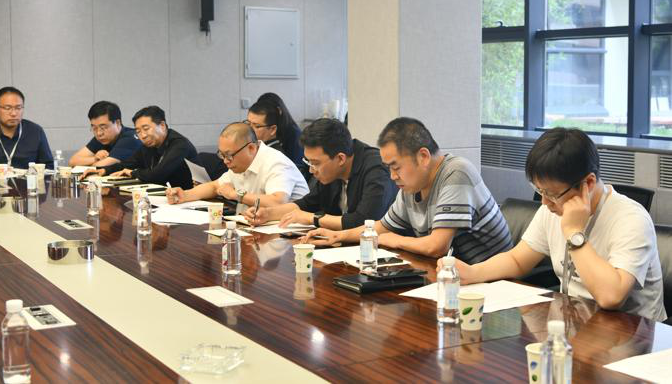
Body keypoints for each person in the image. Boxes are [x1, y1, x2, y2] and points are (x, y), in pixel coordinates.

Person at [437, 128, 667, 321]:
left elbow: (611, 297)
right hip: (580, 325)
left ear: (588, 183)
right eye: (540, 191)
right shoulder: (553, 208)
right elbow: (517, 260)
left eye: (552, 194)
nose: (545, 203)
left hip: (635, 335)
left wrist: (574, 233)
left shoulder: (630, 219)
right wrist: (472, 273)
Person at [303, 117, 513, 261]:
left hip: (494, 283)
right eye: (389, 168)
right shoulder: (411, 186)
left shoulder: (457, 172)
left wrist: (397, 240)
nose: (392, 176)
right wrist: (339, 236)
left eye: (396, 167)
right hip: (453, 277)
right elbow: (382, 227)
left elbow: (436, 246)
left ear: (423, 157)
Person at [243, 118, 396, 230]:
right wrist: (268, 214)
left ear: (340, 159)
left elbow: (364, 222)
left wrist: (313, 219)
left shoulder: (377, 170)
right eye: (309, 162)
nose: (311, 170)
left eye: (315, 163)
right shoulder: (331, 170)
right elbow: (307, 204)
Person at [166, 122, 308, 209]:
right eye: (222, 155)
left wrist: (236, 195)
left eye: (229, 155)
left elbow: (277, 201)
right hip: (261, 225)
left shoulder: (275, 162)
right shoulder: (239, 163)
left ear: (251, 148)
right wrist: (185, 195)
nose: (225, 161)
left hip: (294, 233)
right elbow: (215, 186)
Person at [80, 106, 197, 189]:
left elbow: (158, 174)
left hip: (191, 201)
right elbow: (129, 163)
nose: (143, 135)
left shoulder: (179, 145)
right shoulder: (150, 144)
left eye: (146, 129)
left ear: (162, 125)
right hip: (167, 197)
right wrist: (104, 170)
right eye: (138, 131)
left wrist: (133, 173)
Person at [198, 92, 305, 181]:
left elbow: (277, 197)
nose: (250, 128)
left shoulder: (277, 156)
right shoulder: (256, 143)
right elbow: (221, 184)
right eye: (248, 123)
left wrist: (235, 194)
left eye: (257, 126)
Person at [0, 86, 53, 170]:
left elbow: (49, 166)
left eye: (18, 108)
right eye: (7, 108)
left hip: (28, 178)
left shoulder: (36, 132)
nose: (14, 113)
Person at [68, 101, 142, 167]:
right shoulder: (102, 138)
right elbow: (73, 161)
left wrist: (93, 162)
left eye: (103, 127)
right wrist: (95, 158)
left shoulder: (130, 138)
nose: (99, 133)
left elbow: (100, 166)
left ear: (117, 123)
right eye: (94, 128)